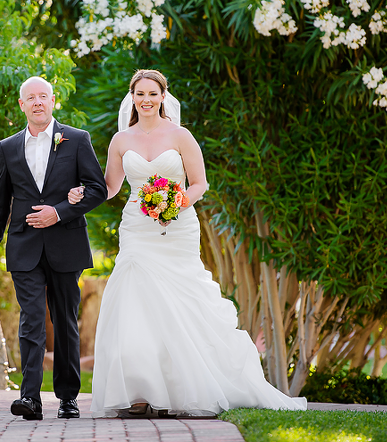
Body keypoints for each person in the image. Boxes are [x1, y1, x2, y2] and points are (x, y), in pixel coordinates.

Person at [68, 69, 306, 417]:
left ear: (163, 96)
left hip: (176, 229)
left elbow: (200, 184)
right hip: (136, 229)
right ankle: (139, 393)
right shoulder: (122, 140)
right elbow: (111, 186)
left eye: (152, 93)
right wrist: (83, 192)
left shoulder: (180, 136)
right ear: (132, 98)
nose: (146, 100)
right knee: (135, 304)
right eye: (140, 94)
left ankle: (178, 390)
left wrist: (176, 201)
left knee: (180, 302)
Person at [0, 76, 108, 420]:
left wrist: (60, 212)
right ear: (21, 105)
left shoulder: (77, 140)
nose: (37, 102)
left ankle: (68, 398)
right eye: (30, 98)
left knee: (65, 320)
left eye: (43, 96)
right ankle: (30, 399)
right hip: (24, 246)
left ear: (53, 101)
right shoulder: (7, 147)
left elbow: (97, 189)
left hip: (66, 242)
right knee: (32, 319)